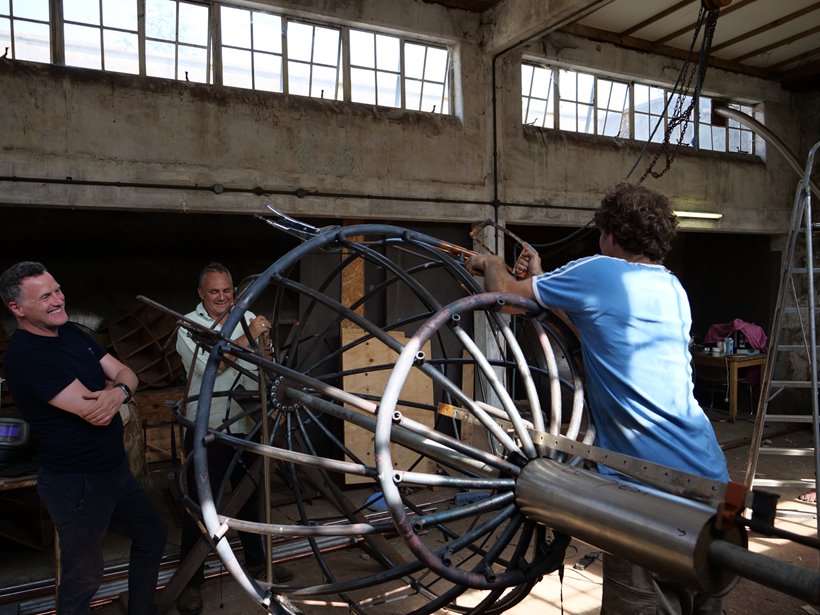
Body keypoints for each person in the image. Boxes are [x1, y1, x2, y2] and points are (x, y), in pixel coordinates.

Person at [466, 183, 730, 615]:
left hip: (648, 494)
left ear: (609, 234)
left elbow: (509, 299)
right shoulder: (672, 287)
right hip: (709, 480)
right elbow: (597, 326)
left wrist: (491, 262)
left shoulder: (598, 270)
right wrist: (545, 276)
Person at [0, 261, 167, 614]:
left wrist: (117, 390)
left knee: (152, 533)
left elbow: (127, 373)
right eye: (46, 296)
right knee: (84, 577)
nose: (58, 300)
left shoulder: (72, 333)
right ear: (17, 308)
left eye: (58, 290)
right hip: (76, 483)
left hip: (113, 471)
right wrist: (116, 390)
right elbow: (94, 410)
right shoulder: (26, 356)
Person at [175, 262, 292, 615]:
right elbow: (215, 364)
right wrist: (249, 335)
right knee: (200, 504)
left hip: (246, 424)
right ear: (201, 294)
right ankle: (190, 582)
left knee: (251, 495)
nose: (222, 297)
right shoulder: (188, 323)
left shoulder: (248, 316)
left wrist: (266, 345)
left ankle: (257, 562)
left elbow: (264, 364)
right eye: (214, 291)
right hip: (207, 426)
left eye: (227, 290)